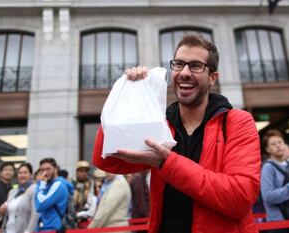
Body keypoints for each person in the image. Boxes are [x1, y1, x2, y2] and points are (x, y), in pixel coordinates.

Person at [93, 34, 261, 233]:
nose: (185, 73)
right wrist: (128, 94)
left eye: (196, 66)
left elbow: (239, 198)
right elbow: (106, 160)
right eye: (179, 64)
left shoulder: (237, 122)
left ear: (212, 78)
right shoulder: (161, 124)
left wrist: (166, 162)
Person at [260, 130, 289, 233]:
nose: (278, 146)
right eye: (273, 144)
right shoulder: (268, 168)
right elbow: (267, 196)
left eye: (280, 142)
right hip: (278, 223)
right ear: (268, 149)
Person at [0, 163, 39, 233]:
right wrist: (0, 213)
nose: (22, 175)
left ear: (31, 174)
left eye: (25, 173)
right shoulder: (12, 191)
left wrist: (28, 231)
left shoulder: (34, 189)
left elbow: (35, 214)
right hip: (7, 230)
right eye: (20, 173)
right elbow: (3, 214)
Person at [35, 158, 69, 232]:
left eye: (48, 169)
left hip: (53, 228)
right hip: (44, 228)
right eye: (42, 170)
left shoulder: (58, 184)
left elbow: (40, 205)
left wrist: (41, 183)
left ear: (55, 169)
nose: (45, 173)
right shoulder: (48, 184)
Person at [72, 160, 97, 225]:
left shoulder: (90, 183)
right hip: (72, 216)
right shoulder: (71, 182)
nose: (84, 173)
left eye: (86, 171)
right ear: (77, 172)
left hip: (85, 215)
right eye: (81, 171)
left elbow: (92, 198)